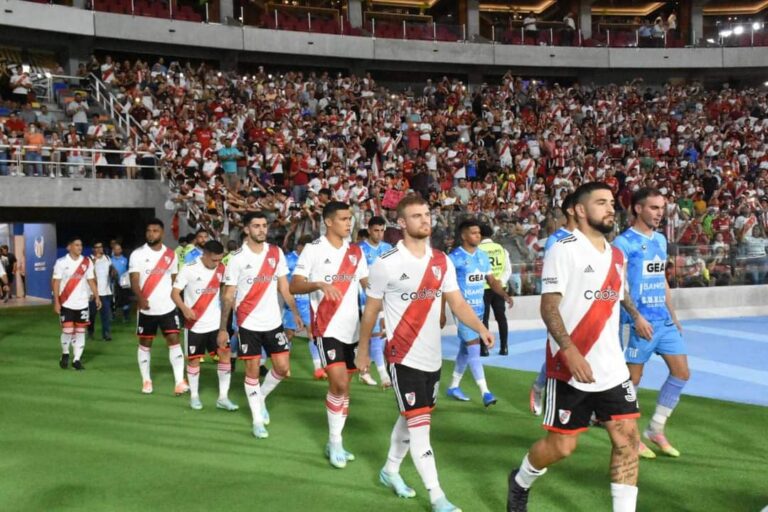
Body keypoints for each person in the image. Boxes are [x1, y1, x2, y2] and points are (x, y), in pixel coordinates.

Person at [507, 182, 640, 512]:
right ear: (580, 210)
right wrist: (569, 350)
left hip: (612, 369)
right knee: (562, 447)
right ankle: (521, 480)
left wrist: (636, 316)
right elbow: (549, 306)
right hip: (569, 368)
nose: (611, 208)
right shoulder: (563, 249)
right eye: (601, 203)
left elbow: (618, 296)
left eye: (611, 203)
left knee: (628, 442)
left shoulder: (618, 255)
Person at [357, 195, 495, 512]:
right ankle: (437, 496)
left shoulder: (441, 261)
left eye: (427, 214)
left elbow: (457, 303)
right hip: (403, 356)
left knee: (412, 418)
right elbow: (371, 311)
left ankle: (389, 471)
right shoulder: (386, 264)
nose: (425, 220)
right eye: (417, 216)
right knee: (420, 426)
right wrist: (363, 351)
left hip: (433, 358)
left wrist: (480, 327)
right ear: (402, 223)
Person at [290, 201, 369, 468]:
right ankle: (335, 441)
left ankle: (336, 441)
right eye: (344, 219)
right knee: (340, 384)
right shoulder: (314, 250)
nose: (350, 223)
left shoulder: (356, 252)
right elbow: (294, 285)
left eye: (351, 219)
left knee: (344, 388)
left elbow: (368, 284)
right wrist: (320, 284)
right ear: (328, 222)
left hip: (353, 328)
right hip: (326, 326)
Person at [613, 188, 688, 459]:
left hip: (663, 321)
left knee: (681, 373)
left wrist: (673, 315)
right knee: (632, 379)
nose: (660, 213)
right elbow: (618, 287)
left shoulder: (660, 240)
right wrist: (636, 317)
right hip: (636, 322)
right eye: (654, 208)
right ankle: (629, 436)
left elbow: (662, 280)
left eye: (662, 208)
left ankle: (656, 428)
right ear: (637, 209)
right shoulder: (623, 244)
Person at [218, 212, 303, 439]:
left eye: (264, 226)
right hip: (248, 324)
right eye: (256, 226)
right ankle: (257, 420)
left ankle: (261, 396)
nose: (261, 230)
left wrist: (294, 313)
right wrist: (224, 328)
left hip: (273, 322)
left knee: (283, 368)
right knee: (252, 371)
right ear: (246, 229)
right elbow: (228, 296)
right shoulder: (236, 258)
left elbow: (284, 288)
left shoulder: (276, 253)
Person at [447, 219, 513, 407]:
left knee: (465, 350)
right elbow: (445, 286)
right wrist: (443, 313)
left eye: (478, 233)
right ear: (464, 236)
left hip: (479, 309)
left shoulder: (482, 257)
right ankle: (485, 392)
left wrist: (504, 294)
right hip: (462, 311)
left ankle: (453, 386)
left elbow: (491, 281)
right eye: (474, 233)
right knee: (474, 346)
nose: (478, 235)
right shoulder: (454, 258)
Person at [172, 240, 239, 412]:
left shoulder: (221, 269)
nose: (217, 263)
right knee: (194, 360)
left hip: (216, 324)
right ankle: (194, 396)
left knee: (225, 356)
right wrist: (185, 308)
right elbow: (174, 293)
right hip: (194, 325)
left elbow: (225, 292)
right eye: (214, 260)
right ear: (204, 254)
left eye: (219, 260)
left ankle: (223, 398)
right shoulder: (188, 268)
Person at [530, 193, 577, 415]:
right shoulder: (555, 240)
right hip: (561, 305)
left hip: (583, 305)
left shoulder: (588, 239)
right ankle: (539, 388)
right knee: (560, 352)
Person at [129, 218, 188, 395]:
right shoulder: (137, 254)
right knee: (145, 343)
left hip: (168, 307)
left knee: (174, 341)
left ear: (162, 233)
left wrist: (180, 304)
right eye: (148, 230)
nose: (151, 234)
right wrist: (140, 298)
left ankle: (179, 382)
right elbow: (134, 279)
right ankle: (146, 381)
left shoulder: (171, 254)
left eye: (155, 231)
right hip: (147, 309)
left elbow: (175, 280)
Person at [52, 237, 101, 371]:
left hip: (82, 303)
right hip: (66, 303)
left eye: (81, 245)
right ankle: (65, 352)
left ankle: (76, 360)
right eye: (77, 245)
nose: (80, 247)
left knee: (80, 332)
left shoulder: (87, 262)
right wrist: (56, 301)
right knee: (67, 330)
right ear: (69, 247)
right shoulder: (61, 262)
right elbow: (56, 282)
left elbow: (91, 280)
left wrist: (97, 296)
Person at [357, 215, 393, 387]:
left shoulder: (388, 248)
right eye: (376, 230)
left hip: (385, 298)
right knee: (376, 335)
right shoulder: (359, 250)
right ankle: (384, 376)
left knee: (378, 336)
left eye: (382, 231)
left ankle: (364, 371)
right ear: (369, 230)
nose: (379, 234)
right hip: (365, 299)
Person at [282, 235, 324, 380]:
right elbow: (281, 281)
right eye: (305, 248)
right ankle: (285, 367)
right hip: (292, 302)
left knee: (313, 334)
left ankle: (318, 368)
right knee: (289, 334)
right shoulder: (288, 259)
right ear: (299, 246)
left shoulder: (313, 259)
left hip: (308, 302)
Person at [479, 224, 514, 355]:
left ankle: (484, 348)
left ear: (480, 235)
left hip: (483, 288)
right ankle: (504, 347)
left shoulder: (478, 250)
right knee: (501, 317)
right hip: (499, 288)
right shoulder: (501, 248)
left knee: (484, 319)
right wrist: (500, 282)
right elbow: (508, 269)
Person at [88, 241, 114, 341]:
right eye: (97, 247)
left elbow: (111, 271)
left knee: (106, 315)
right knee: (92, 315)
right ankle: (90, 332)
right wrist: (93, 263)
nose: (99, 249)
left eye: (101, 247)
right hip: (93, 293)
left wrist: (113, 273)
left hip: (105, 292)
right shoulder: (89, 259)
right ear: (93, 249)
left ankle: (106, 334)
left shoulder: (107, 258)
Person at [111, 243, 131, 322]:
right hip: (113, 283)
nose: (117, 250)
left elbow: (128, 271)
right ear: (113, 250)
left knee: (126, 299)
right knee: (113, 300)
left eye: (119, 249)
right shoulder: (110, 260)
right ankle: (112, 316)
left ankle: (126, 317)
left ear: (121, 250)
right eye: (116, 249)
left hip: (124, 283)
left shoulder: (125, 259)